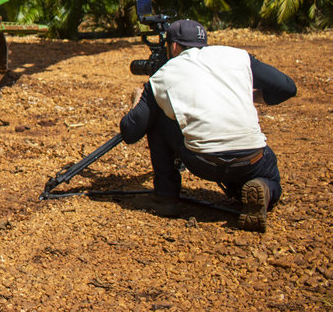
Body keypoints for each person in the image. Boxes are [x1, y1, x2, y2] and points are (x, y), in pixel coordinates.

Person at [119, 19, 296, 231]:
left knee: (156, 117)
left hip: (204, 162)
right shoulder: (237, 56)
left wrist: (140, 102)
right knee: (268, 176)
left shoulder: (163, 75)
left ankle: (165, 197)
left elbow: (130, 132)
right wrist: (248, 94)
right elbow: (287, 88)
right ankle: (264, 187)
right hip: (251, 160)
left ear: (173, 46)